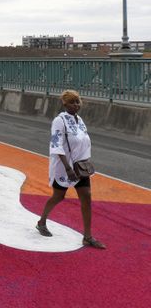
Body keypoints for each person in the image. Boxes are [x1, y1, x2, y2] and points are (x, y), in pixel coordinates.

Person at [36, 89, 106, 249]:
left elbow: (83, 141)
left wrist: (86, 160)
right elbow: (56, 144)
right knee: (58, 196)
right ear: (65, 104)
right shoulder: (59, 121)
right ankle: (42, 221)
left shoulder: (79, 120)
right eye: (72, 102)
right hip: (64, 168)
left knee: (86, 197)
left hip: (80, 167)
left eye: (78, 102)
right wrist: (67, 168)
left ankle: (87, 236)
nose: (76, 105)